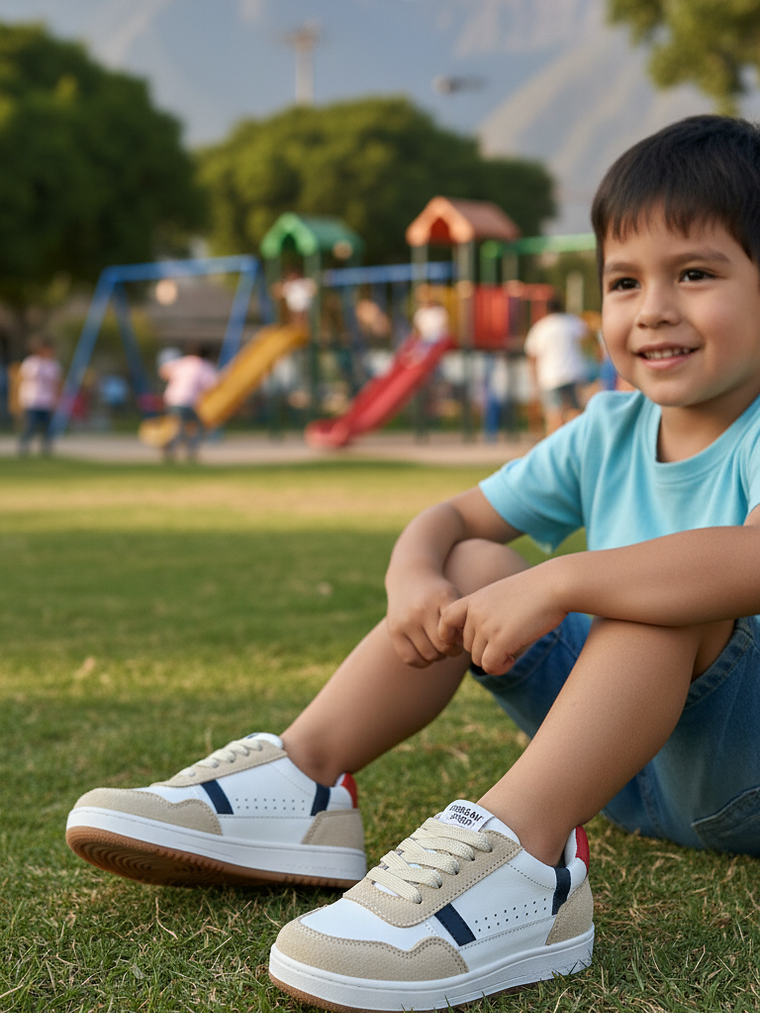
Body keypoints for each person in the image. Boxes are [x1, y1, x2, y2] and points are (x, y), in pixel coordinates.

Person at [66, 115, 760, 1012]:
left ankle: (521, 860)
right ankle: (307, 778)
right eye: (624, 281)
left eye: (695, 273)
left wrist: (557, 578)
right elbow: (452, 517)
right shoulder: (607, 428)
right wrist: (415, 578)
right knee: (473, 558)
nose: (653, 307)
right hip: (620, 769)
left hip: (736, 778)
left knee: (649, 593)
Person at [524, 298, 590, 433]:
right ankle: (576, 446)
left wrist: (534, 381)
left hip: (550, 376)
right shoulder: (572, 322)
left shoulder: (541, 327)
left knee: (554, 416)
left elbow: (532, 356)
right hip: (573, 372)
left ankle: (555, 450)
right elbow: (587, 337)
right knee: (574, 412)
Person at [158, 344, 217, 461]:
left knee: (180, 427)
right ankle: (190, 450)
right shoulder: (203, 366)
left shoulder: (182, 362)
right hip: (188, 402)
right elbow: (211, 385)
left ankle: (170, 446)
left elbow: (164, 372)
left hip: (172, 400)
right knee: (200, 426)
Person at [17, 338, 62, 456]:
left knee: (47, 427)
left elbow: (56, 383)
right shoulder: (30, 362)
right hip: (32, 400)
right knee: (30, 426)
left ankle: (46, 450)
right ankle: (24, 448)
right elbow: (22, 379)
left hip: (47, 400)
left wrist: (56, 398)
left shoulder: (53, 365)